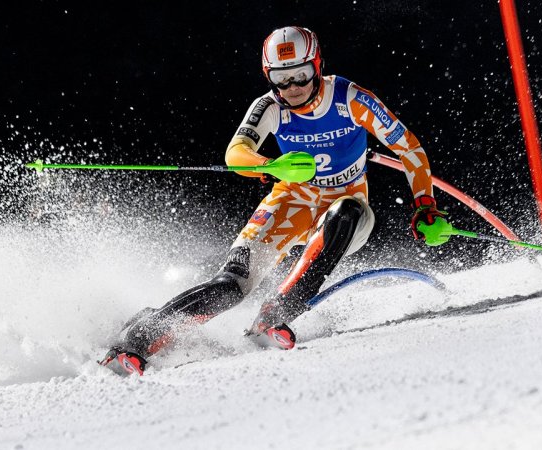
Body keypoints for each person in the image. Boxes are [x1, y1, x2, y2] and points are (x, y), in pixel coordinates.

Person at [101, 26, 451, 376]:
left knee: (345, 212)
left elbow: (409, 148)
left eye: (301, 75)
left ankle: (277, 312)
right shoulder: (268, 107)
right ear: (269, 77)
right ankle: (139, 336)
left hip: (346, 206)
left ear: (317, 66)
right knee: (230, 285)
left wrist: (425, 205)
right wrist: (270, 164)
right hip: (291, 201)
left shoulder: (350, 98)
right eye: (282, 79)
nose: (293, 88)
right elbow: (236, 153)